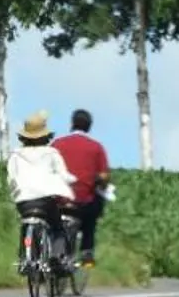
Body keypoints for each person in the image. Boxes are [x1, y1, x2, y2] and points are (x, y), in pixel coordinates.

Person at [6, 110, 76, 270]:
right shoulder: (51, 153)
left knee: (25, 223)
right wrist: (73, 182)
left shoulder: (15, 155)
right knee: (57, 228)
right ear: (46, 136)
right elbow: (64, 175)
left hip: (23, 201)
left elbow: (11, 178)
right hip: (45, 201)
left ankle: (25, 256)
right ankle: (56, 256)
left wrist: (16, 194)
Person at [51, 108, 112, 267]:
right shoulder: (96, 147)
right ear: (89, 126)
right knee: (93, 213)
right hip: (82, 202)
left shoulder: (57, 144)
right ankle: (87, 251)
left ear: (72, 124)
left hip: (59, 200)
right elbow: (104, 176)